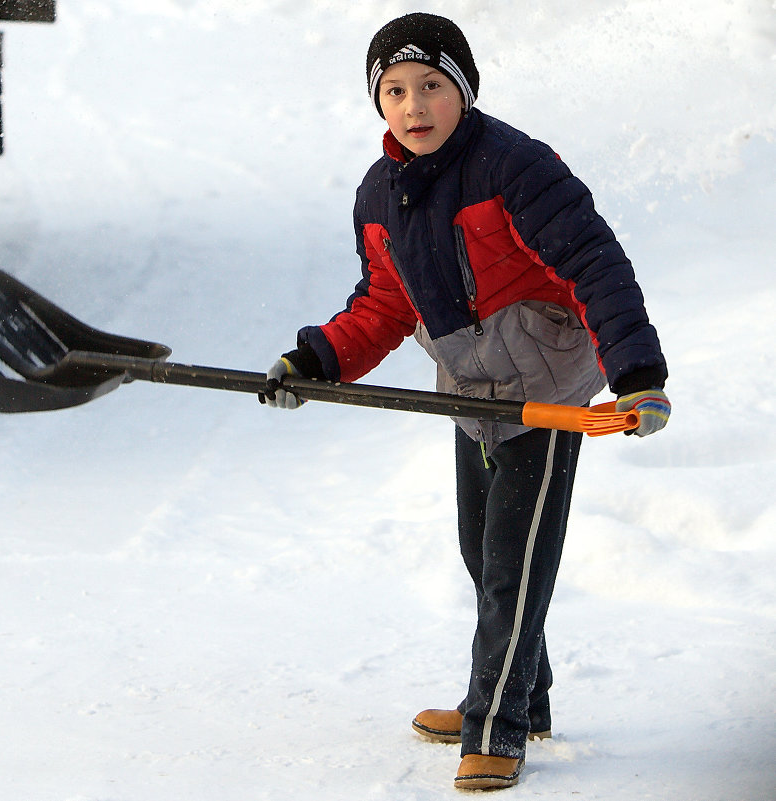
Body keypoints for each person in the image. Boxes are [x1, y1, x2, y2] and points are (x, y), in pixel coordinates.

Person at [261, 12, 670, 792]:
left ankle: (497, 724)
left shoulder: (514, 166)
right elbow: (384, 304)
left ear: (464, 91)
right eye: (395, 91)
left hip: (545, 388)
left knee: (515, 569)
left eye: (432, 87)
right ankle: (525, 693)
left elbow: (595, 262)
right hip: (470, 390)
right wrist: (317, 357)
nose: (414, 106)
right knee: (482, 556)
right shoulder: (380, 194)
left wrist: (637, 371)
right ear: (378, 104)